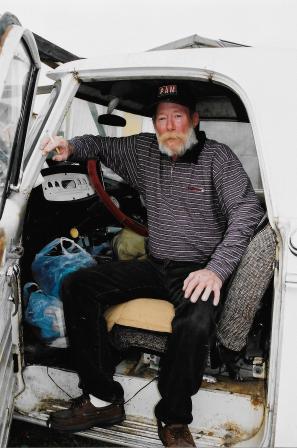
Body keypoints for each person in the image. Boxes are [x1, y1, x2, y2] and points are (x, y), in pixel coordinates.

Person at [41, 82, 264, 447]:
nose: (170, 126)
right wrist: (71, 148)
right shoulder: (144, 151)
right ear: (154, 124)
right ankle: (102, 398)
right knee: (78, 285)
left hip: (198, 269)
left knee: (195, 322)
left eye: (178, 116)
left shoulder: (217, 158)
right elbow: (99, 145)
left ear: (194, 119)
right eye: (162, 119)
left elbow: (246, 210)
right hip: (157, 264)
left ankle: (174, 418)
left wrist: (216, 269)